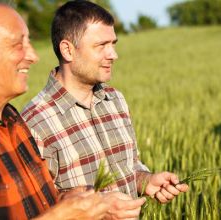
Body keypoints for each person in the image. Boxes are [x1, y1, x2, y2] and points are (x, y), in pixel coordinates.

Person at [0, 1, 146, 219]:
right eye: (19, 45)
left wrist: (75, 200)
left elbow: (37, 205)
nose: (33, 56)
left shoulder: (12, 121)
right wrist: (64, 215)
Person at [21, 0, 189, 204]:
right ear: (67, 50)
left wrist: (146, 181)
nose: (113, 55)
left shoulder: (115, 100)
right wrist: (100, 209)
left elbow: (129, 168)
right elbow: (35, 206)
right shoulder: (35, 122)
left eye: (113, 44)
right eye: (101, 45)